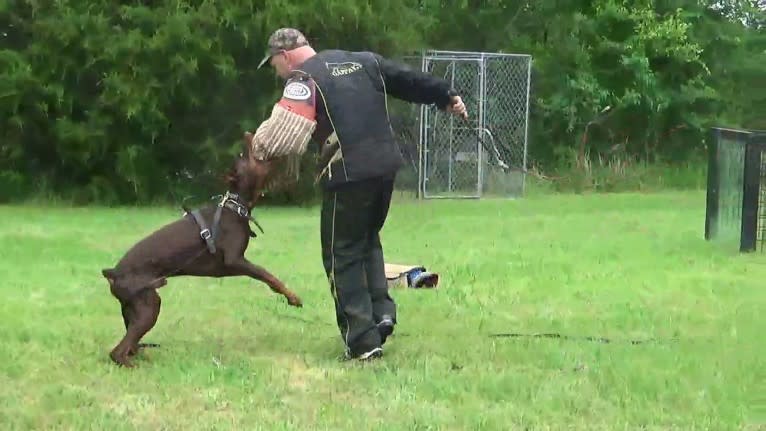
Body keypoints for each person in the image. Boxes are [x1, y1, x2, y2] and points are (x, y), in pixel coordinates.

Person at [248, 28, 468, 361]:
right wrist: (446, 95)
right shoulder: (363, 62)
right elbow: (408, 80)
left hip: (347, 173)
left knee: (342, 253)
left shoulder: (303, 78)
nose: (277, 72)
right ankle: (381, 314)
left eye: (274, 64)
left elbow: (284, 135)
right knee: (366, 241)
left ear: (285, 55)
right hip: (384, 168)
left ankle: (363, 342)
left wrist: (257, 150)